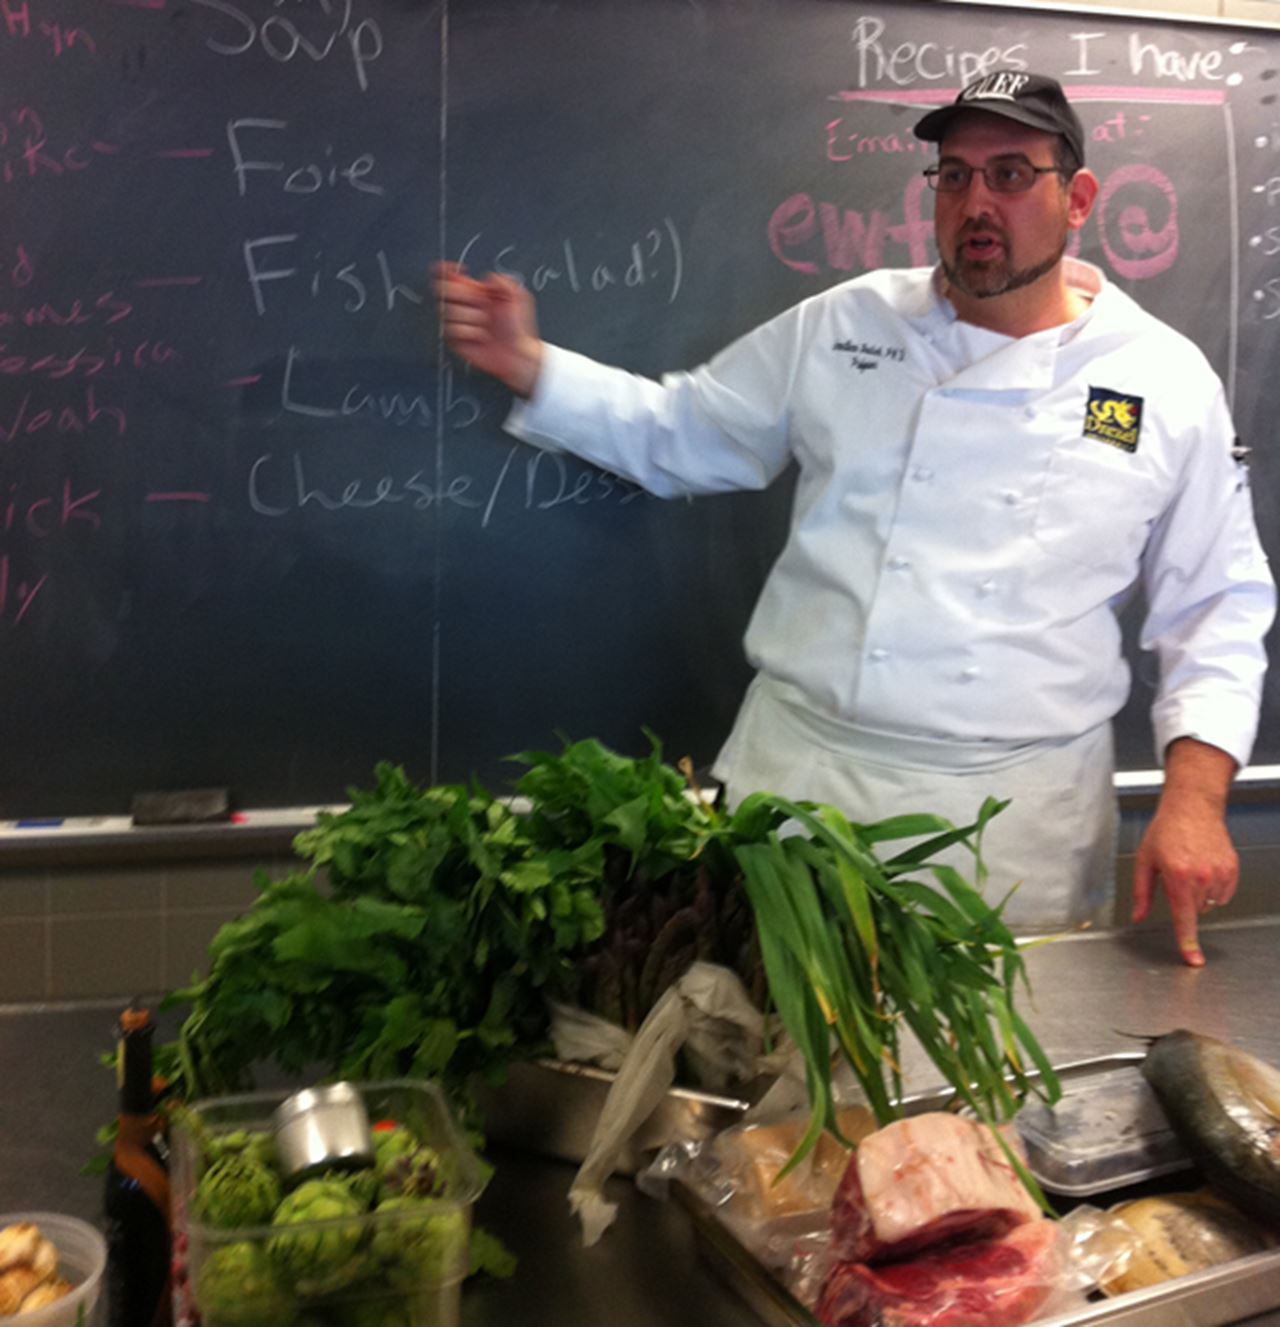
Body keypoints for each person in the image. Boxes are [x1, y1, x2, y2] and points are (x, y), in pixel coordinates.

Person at [436, 70, 1275, 966]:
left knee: (986, 1097)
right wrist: (529, 364)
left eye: (1009, 174)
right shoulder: (847, 324)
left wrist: (1194, 800)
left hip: (1008, 827)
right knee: (763, 1070)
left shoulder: (1163, 378)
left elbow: (1216, 603)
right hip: (799, 785)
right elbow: (680, 429)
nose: (976, 202)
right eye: (954, 175)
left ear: (1077, 200)